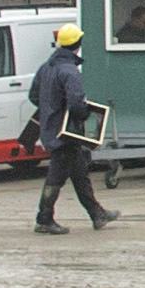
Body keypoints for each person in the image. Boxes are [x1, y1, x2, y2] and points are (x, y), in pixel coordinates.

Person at [27, 21, 111, 233]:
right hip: (66, 134)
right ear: (78, 44)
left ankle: (97, 214)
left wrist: (50, 110)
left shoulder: (46, 67)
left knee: (80, 173)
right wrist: (81, 115)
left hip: (51, 130)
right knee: (56, 177)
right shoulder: (70, 71)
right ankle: (44, 219)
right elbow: (76, 104)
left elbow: (33, 96)